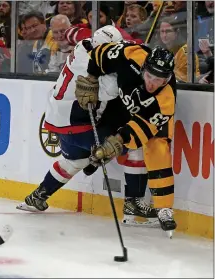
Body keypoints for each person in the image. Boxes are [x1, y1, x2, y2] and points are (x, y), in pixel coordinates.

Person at [17, 25, 157, 224]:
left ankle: (37, 197)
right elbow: (113, 90)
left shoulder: (85, 45)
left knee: (74, 161)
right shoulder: (91, 66)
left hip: (59, 121)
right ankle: (132, 203)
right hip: (78, 124)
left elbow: (118, 49)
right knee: (135, 143)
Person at [74, 42, 177, 234]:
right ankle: (98, 158)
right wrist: (91, 78)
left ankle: (164, 208)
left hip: (148, 117)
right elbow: (99, 53)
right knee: (104, 137)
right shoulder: (130, 55)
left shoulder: (166, 100)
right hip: (124, 105)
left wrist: (119, 141)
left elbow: (143, 128)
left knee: (158, 147)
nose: (152, 83)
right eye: (149, 76)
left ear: (167, 79)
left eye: (159, 81)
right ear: (143, 68)